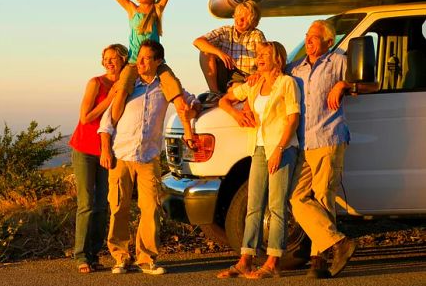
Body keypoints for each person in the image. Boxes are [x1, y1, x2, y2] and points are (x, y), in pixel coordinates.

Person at [98, 40, 200, 276]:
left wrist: (194, 109)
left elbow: (189, 101)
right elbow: (107, 123)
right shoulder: (128, 86)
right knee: (118, 208)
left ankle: (146, 259)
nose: (140, 63)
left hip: (149, 158)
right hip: (121, 155)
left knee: (150, 208)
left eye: (146, 58)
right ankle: (120, 257)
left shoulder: (164, 87)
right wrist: (105, 149)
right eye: (139, 58)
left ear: (158, 62)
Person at [79, 0, 196, 138]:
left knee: (174, 88)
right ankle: (112, 131)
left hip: (156, 62)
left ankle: (188, 130)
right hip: (134, 62)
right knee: (121, 93)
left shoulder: (157, 9)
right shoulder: (131, 9)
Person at [216, 41, 300, 279]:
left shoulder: (287, 83)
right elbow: (224, 100)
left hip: (282, 149)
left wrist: (279, 150)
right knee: (254, 206)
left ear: (278, 59)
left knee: (276, 206)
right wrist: (237, 113)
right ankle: (245, 260)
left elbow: (293, 119)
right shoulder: (253, 84)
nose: (259, 57)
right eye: (258, 54)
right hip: (259, 148)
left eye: (265, 54)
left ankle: (273, 262)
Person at [288, 20, 356, 278]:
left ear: (328, 41)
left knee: (324, 197)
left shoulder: (339, 60)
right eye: (307, 35)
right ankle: (339, 243)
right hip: (303, 143)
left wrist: (343, 85)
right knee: (297, 198)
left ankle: (319, 262)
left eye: (315, 36)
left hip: (328, 137)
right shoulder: (295, 68)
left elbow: (371, 83)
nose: (309, 40)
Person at [68, 43, 128, 274]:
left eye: (114, 58)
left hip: (109, 151)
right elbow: (86, 118)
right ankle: (81, 255)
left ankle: (93, 254)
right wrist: (110, 96)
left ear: (123, 60)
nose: (110, 61)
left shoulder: (127, 84)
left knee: (103, 205)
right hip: (85, 148)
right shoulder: (96, 83)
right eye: (106, 58)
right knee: (86, 203)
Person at [193, 0, 266, 101]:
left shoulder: (256, 35)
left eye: (244, 19)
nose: (240, 21)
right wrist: (219, 53)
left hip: (244, 77)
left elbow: (265, 57)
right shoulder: (226, 31)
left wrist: (257, 74)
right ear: (234, 15)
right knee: (205, 51)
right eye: (238, 16)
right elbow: (197, 42)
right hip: (225, 72)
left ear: (252, 22)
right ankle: (215, 93)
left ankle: (229, 96)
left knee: (235, 91)